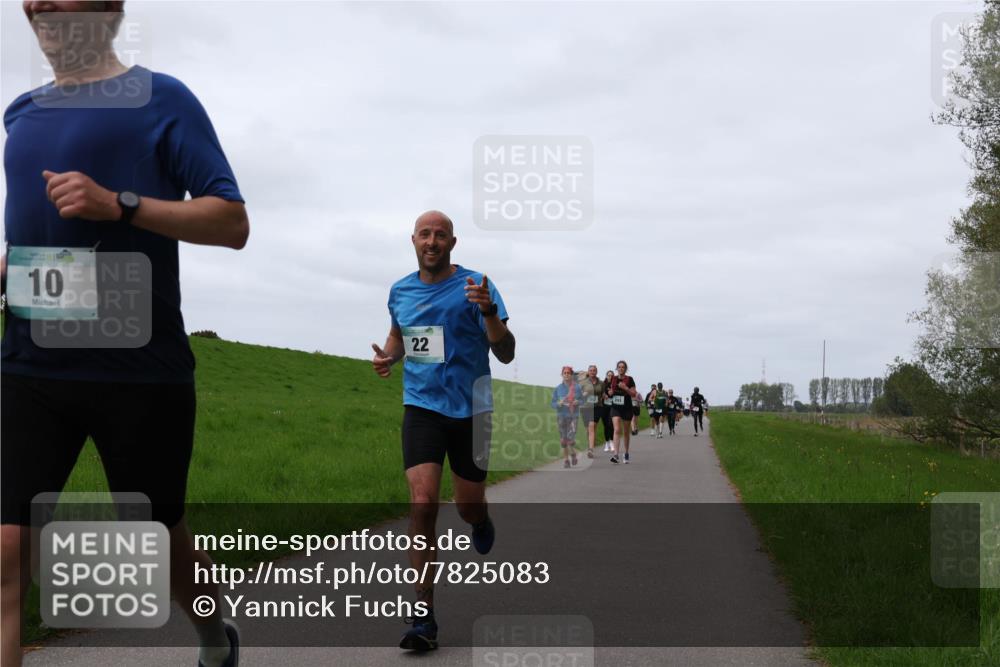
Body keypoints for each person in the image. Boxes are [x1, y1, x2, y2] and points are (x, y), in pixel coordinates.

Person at [1, 4, 250, 667]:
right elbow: (33, 238)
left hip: (139, 369)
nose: (40, 3)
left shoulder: (161, 99)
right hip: (31, 365)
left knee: (157, 536)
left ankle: (211, 636)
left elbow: (231, 222)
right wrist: (7, 265)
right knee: (6, 549)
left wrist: (123, 204)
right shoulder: (19, 114)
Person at [372, 210, 514, 651]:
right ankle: (423, 617)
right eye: (424, 234)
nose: (432, 241)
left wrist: (488, 311)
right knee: (423, 502)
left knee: (467, 505)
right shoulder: (400, 290)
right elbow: (400, 336)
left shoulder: (477, 287)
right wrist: (389, 358)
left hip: (471, 410)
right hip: (422, 407)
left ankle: (481, 516)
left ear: (453, 243)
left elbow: (506, 352)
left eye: (441, 235)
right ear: (412, 240)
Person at [553, 367, 583, 468]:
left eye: (568, 373)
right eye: (564, 373)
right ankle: (567, 460)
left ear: (571, 375)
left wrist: (577, 402)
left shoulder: (577, 388)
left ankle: (573, 454)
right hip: (561, 416)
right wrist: (558, 403)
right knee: (563, 440)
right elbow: (553, 403)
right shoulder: (558, 388)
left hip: (573, 416)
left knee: (570, 438)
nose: (566, 374)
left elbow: (582, 400)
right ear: (562, 375)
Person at [608, 360, 637, 464]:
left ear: (625, 369)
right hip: (615, 407)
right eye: (619, 367)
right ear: (617, 368)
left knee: (625, 432)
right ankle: (616, 455)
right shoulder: (613, 379)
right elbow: (611, 392)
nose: (621, 369)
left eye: (623, 367)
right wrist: (610, 393)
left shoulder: (630, 379)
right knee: (616, 429)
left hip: (627, 408)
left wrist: (625, 388)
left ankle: (626, 453)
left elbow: (634, 394)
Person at [577, 365, 602, 459]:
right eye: (591, 370)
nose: (592, 372)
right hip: (585, 407)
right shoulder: (583, 383)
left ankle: (591, 449)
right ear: (588, 372)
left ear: (596, 372)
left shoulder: (601, 383)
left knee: (592, 426)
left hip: (597, 407)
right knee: (588, 429)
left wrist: (606, 396)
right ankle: (589, 445)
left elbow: (603, 393)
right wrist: (583, 394)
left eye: (594, 370)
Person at [600, 370, 615, 452]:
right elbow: (598, 393)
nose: (610, 377)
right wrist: (603, 395)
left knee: (611, 424)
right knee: (606, 425)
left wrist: (613, 393)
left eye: (611, 375)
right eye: (609, 375)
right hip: (604, 407)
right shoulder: (602, 384)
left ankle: (612, 442)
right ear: (606, 376)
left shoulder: (615, 384)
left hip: (612, 407)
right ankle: (607, 443)